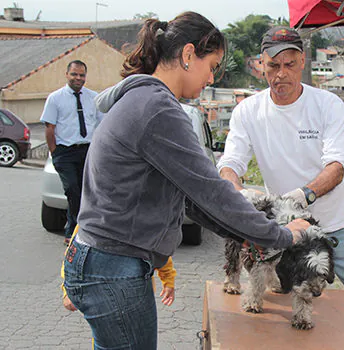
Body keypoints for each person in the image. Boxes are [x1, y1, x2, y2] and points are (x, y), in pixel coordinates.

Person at [62, 13, 309, 349]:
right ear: (188, 54)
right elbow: (212, 191)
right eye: (213, 65)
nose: (212, 77)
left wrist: (247, 236)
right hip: (112, 267)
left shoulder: (142, 100)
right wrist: (281, 235)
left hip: (100, 261)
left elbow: (191, 197)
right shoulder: (158, 109)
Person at [217, 26, 344, 350]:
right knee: (285, 313)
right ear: (261, 65)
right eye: (273, 66)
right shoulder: (247, 111)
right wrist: (239, 195)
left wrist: (304, 195)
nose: (281, 74)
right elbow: (231, 164)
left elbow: (337, 164)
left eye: (290, 64)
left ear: (302, 62)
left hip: (339, 225)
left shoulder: (328, 104)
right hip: (286, 232)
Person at [41, 60, 104, 245]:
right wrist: (56, 154)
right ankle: (75, 230)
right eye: (74, 74)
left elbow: (101, 126)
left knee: (86, 192)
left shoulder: (94, 98)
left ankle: (76, 231)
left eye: (82, 75)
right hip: (65, 153)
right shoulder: (55, 98)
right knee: (72, 189)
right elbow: (49, 128)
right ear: (67, 74)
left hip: (88, 151)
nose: (78, 78)